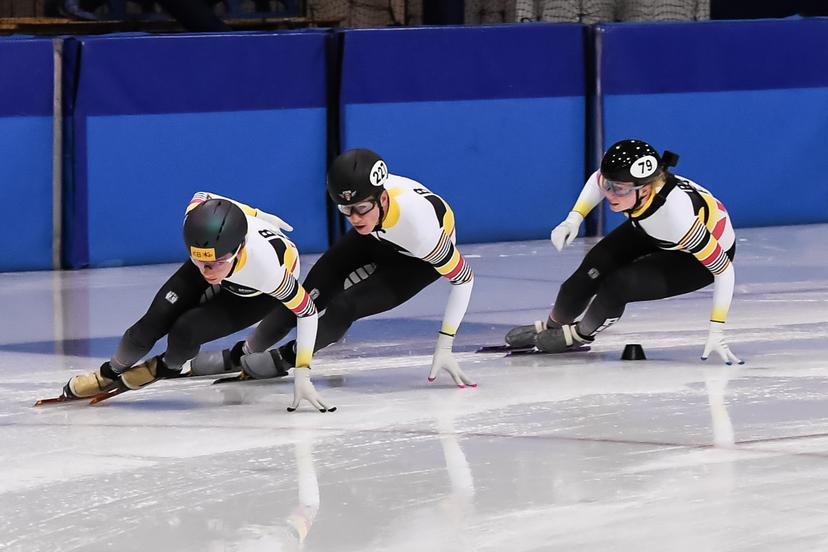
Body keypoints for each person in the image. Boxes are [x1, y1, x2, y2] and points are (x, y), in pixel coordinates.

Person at [193, 148, 477, 387]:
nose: (353, 218)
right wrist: (364, 214)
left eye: (359, 209)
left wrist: (445, 345)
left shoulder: (421, 231)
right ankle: (243, 352)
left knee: (345, 306)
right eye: (345, 209)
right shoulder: (366, 208)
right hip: (380, 234)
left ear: (383, 198)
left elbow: (464, 279)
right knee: (311, 292)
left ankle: (287, 358)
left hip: (416, 260)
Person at [62, 192, 334, 412]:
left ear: (238, 250)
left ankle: (165, 366)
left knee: (186, 331)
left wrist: (303, 372)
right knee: (150, 324)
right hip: (232, 262)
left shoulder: (268, 272)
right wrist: (254, 213)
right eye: (199, 260)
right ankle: (108, 373)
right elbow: (202, 195)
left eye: (214, 264)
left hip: (253, 294)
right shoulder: (197, 227)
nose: (207, 272)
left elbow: (307, 312)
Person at [505, 139, 743, 365]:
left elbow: (724, 271)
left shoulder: (677, 218)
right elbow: (596, 180)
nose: (610, 194)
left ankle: (579, 335)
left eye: (618, 189)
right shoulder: (632, 188)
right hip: (652, 229)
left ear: (646, 189)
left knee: (619, 285)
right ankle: (554, 326)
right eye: (609, 186)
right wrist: (573, 220)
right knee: (592, 269)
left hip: (693, 258)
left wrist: (717, 329)